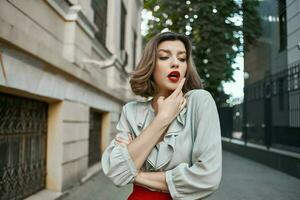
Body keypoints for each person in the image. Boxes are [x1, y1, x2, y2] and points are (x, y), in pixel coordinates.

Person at [101, 31, 222, 200]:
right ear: (151, 65)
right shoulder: (131, 111)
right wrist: (162, 119)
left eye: (182, 58)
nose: (175, 63)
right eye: (164, 57)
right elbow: (115, 172)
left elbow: (208, 179)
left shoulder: (200, 102)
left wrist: (135, 174)